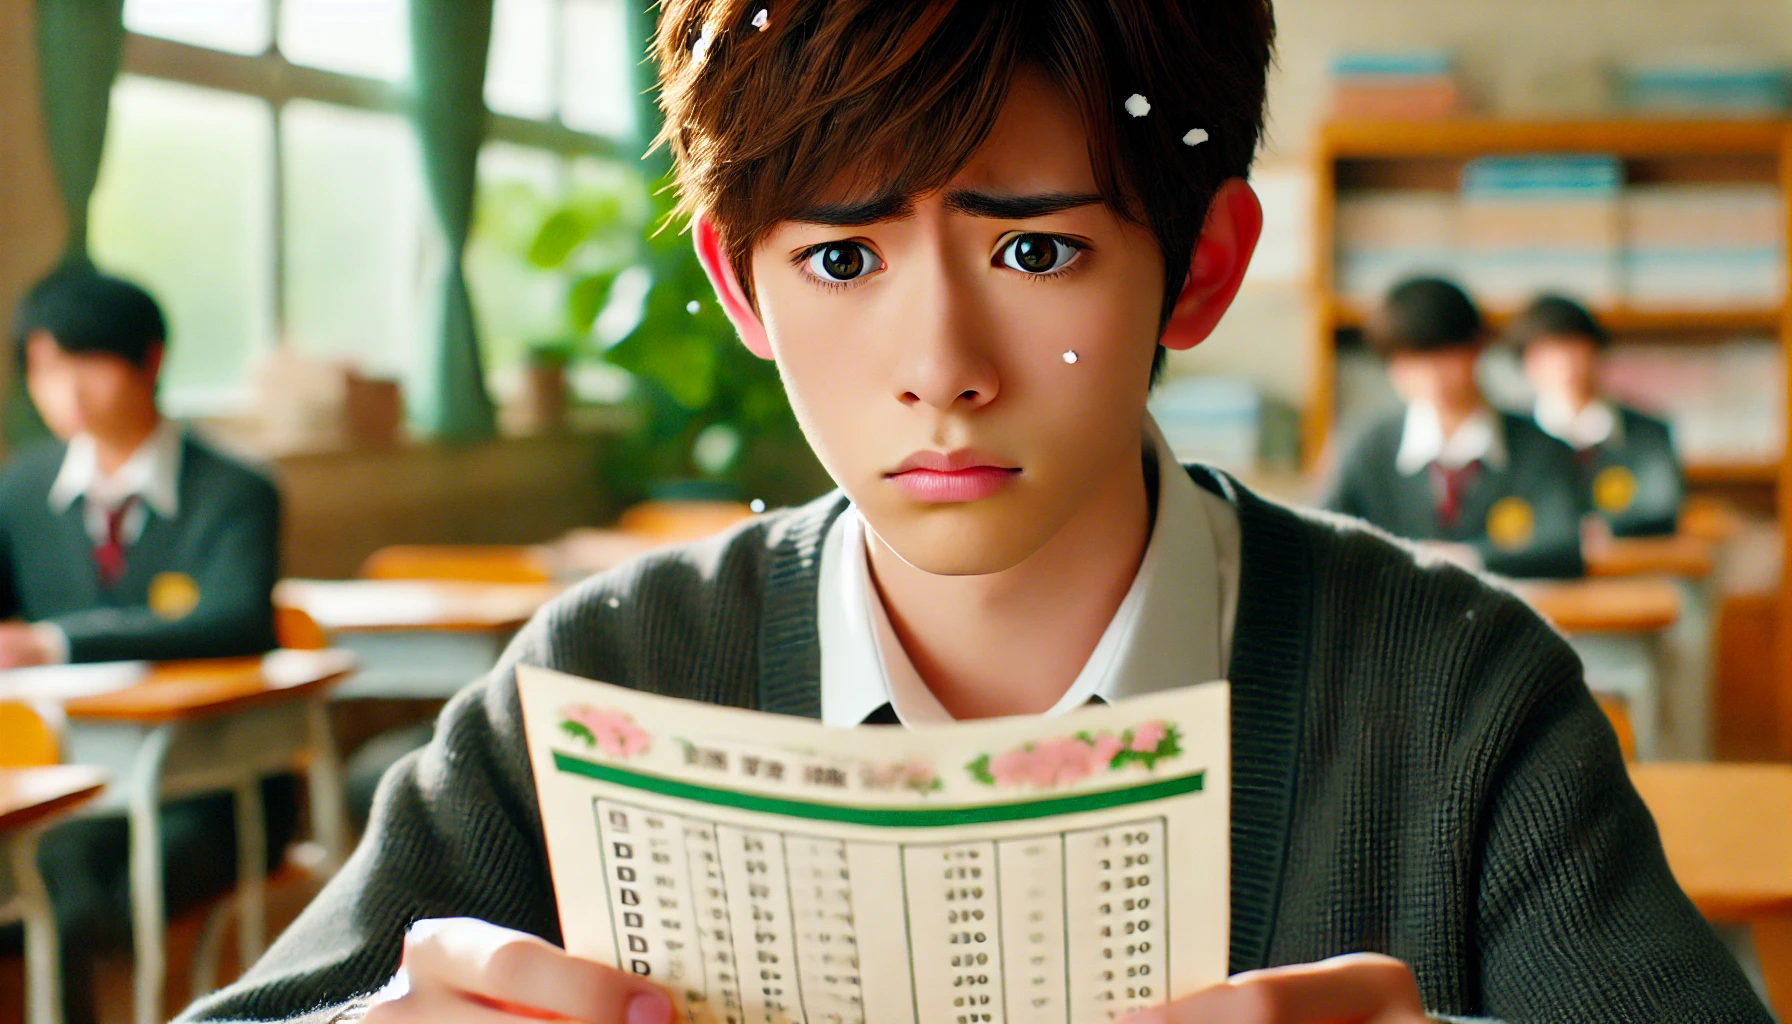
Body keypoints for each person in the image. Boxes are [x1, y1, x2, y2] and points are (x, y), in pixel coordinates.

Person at [182, 3, 1767, 1023]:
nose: (938, 373)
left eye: (1034, 254)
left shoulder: (1455, 696)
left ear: (1203, 266)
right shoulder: (606, 674)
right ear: (740, 279)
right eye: (843, 259)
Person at [0, 264, 298, 1024]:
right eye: (43, 368)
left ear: (149, 361)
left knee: (64, 873)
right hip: (51, 773)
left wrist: (55, 644)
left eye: (86, 362)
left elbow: (236, 622)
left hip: (208, 786)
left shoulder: (233, 490)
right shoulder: (20, 490)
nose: (65, 389)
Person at [1324, 277, 1589, 578]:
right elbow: (1324, 534)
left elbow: (1564, 547)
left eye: (1441, 354)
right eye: (1408, 358)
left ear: (1476, 347)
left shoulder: (1542, 447)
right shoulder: (1366, 444)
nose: (1428, 373)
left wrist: (1467, 558)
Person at [1510, 293, 1684, 538]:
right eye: (1547, 353)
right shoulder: (1511, 438)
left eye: (1573, 348)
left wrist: (1605, 531)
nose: (1564, 363)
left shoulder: (1647, 433)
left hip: (1629, 564)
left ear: (1596, 352)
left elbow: (1662, 509)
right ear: (1526, 364)